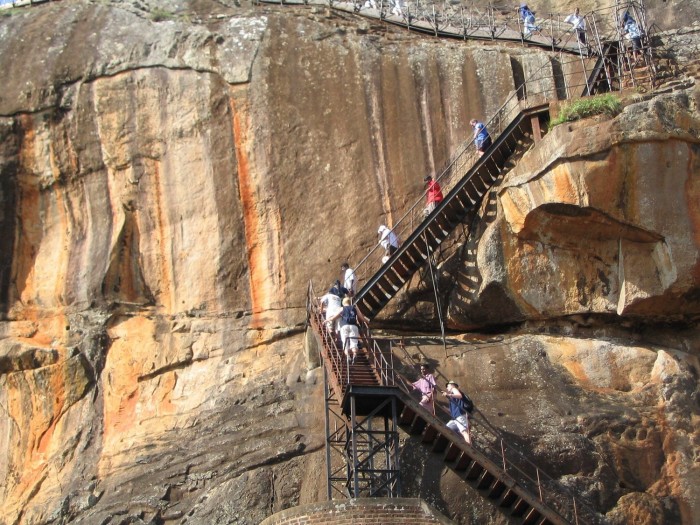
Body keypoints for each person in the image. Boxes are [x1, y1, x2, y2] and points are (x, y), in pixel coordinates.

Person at [326, 297, 369, 363]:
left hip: (344, 326)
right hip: (354, 326)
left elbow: (334, 317)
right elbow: (361, 317)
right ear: (349, 302)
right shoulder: (354, 308)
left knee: (345, 342)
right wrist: (367, 321)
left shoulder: (342, 308)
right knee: (354, 342)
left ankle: (348, 356)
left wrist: (327, 320)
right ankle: (354, 354)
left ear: (343, 303)